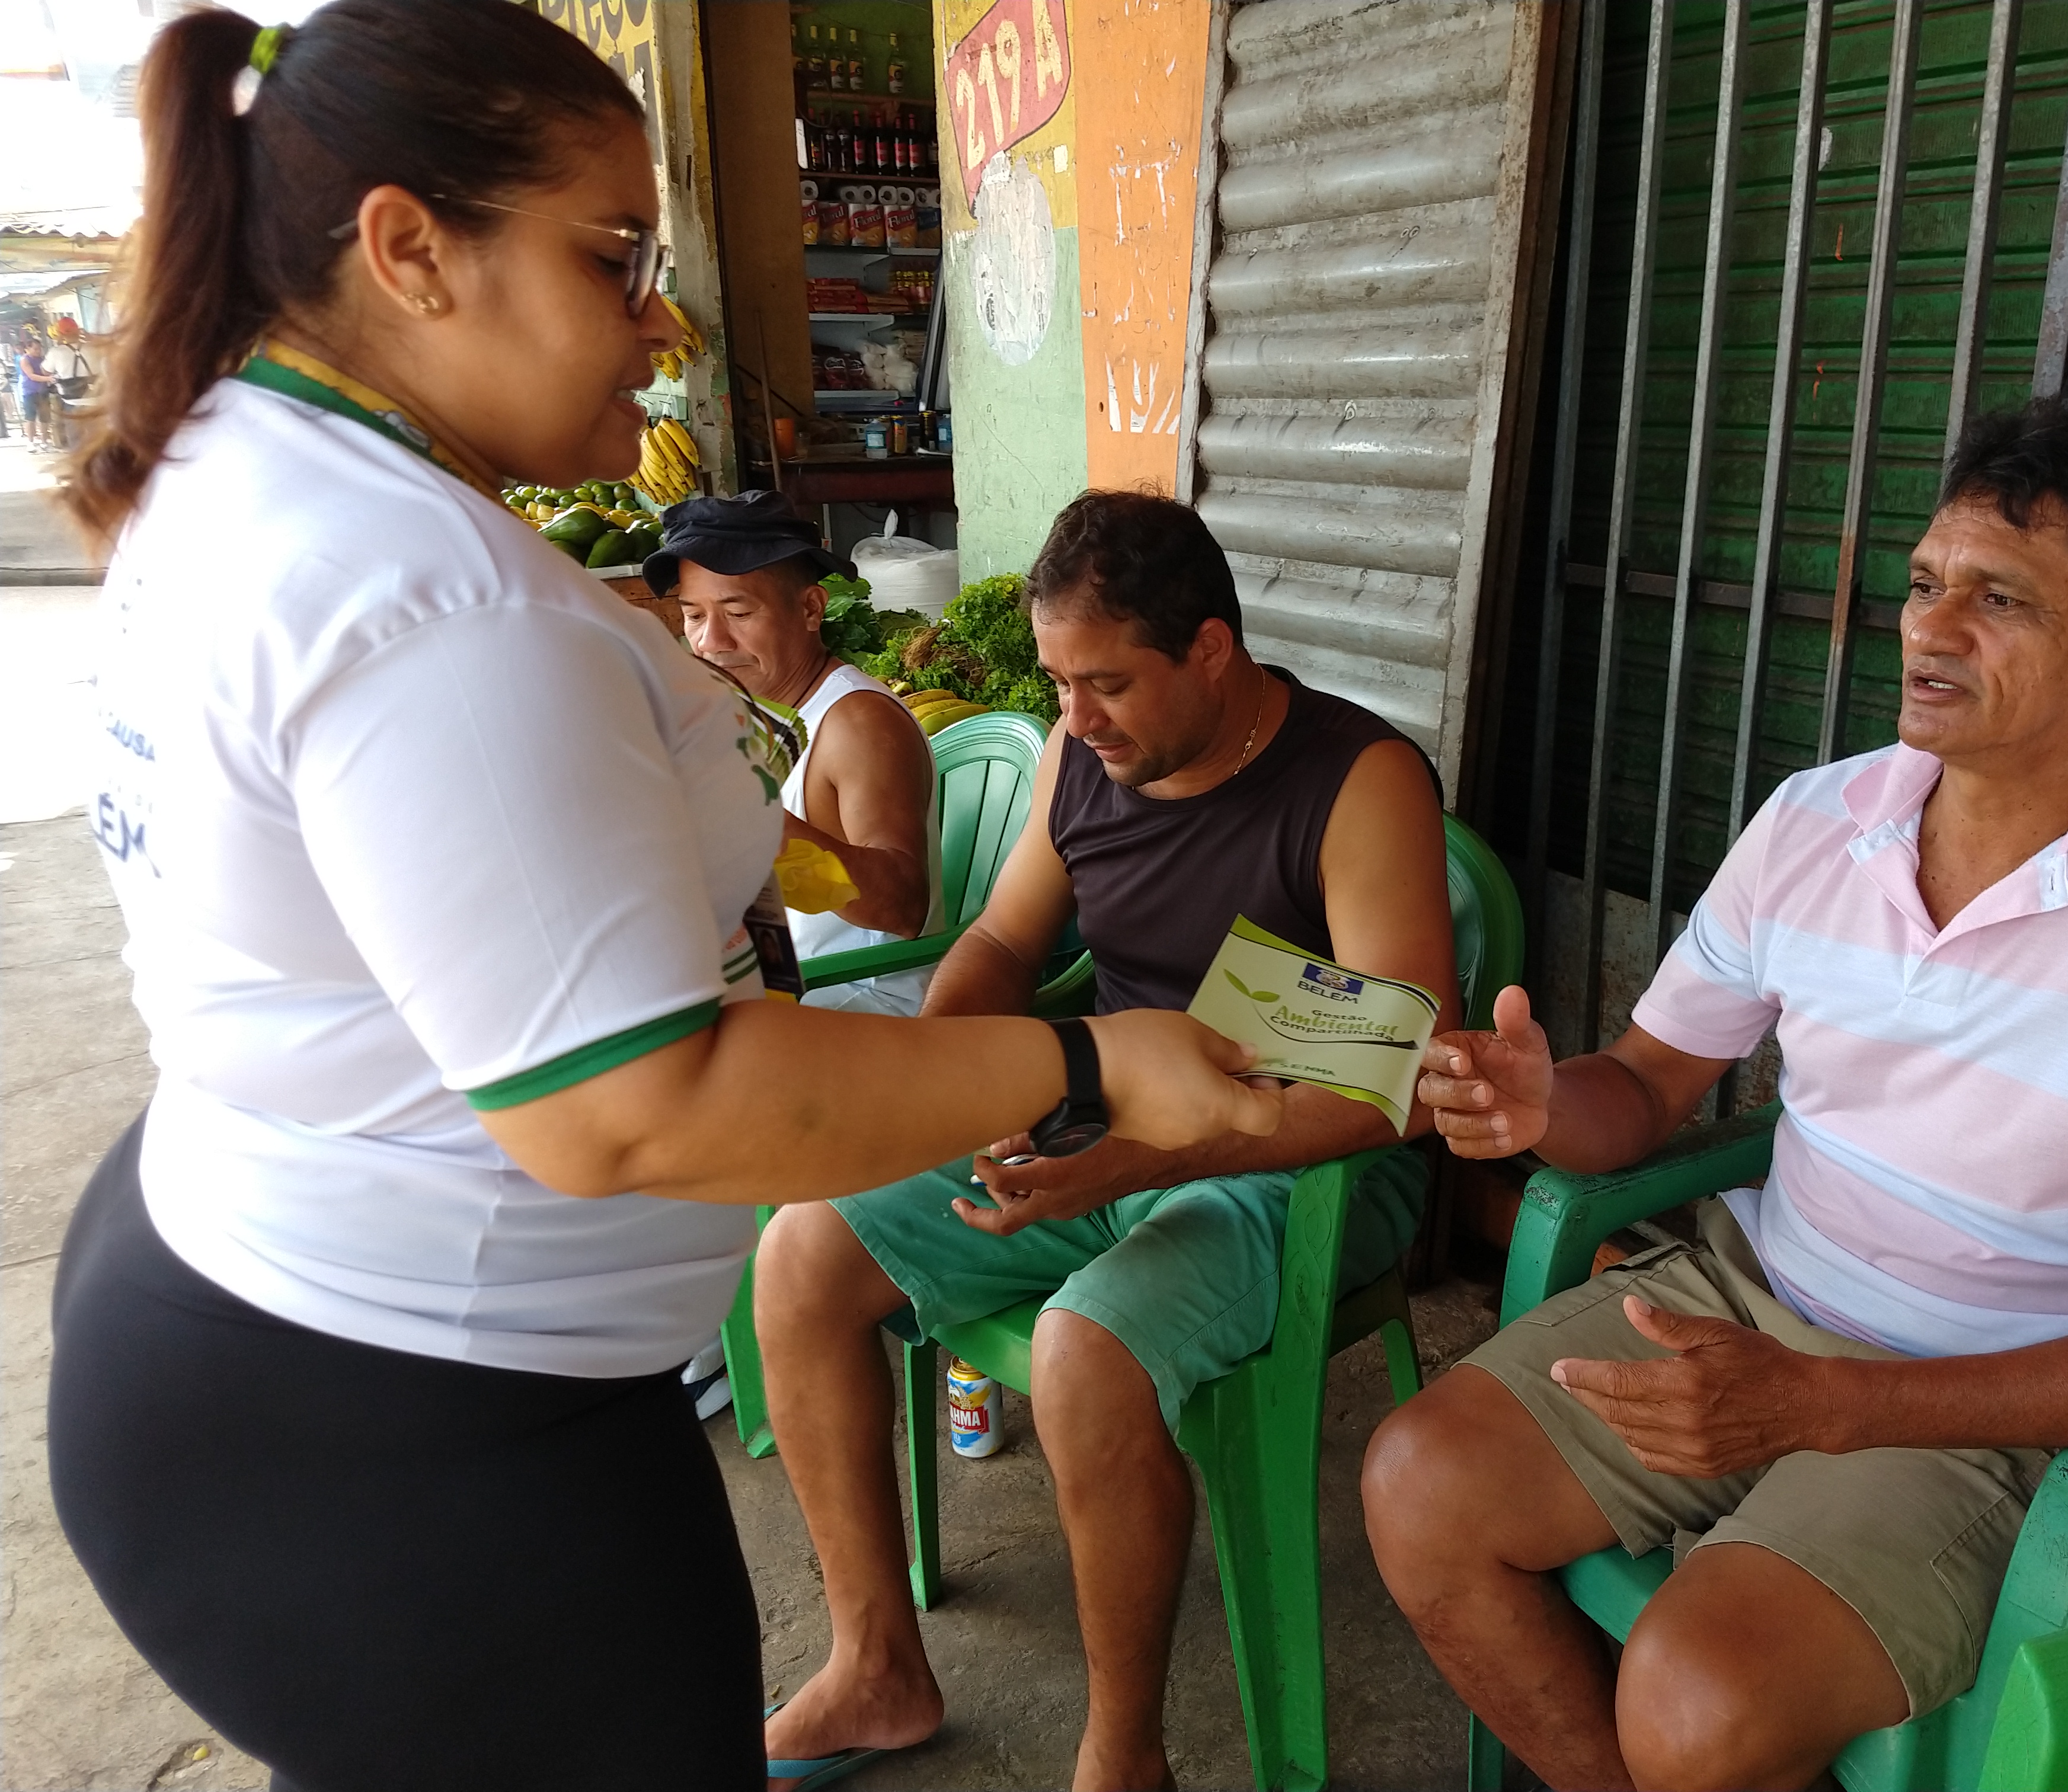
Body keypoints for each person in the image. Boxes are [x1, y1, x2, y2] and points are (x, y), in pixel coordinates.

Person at [44, 9, 1275, 1792]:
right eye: (612, 260)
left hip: (282, 1314)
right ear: (409, 251)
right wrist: (1086, 1068)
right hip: (402, 1420)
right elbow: (635, 1112)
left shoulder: (254, 483)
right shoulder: (432, 598)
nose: (661, 323)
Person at [1365, 400, 2068, 1792]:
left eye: (1999, 598)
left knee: (1701, 1702)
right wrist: (1541, 1103)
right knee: (1420, 1488)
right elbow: (1646, 1092)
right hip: (1754, 1289)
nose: (1929, 628)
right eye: (1923, 583)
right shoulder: (1818, 821)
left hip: (1989, 1395)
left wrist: (1831, 1406)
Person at [752, 490, 1459, 1791]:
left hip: (1295, 1154)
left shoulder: (1359, 783)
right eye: (1059, 684)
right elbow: (1002, 945)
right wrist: (962, 1084)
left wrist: (1144, 1158)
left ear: (1211, 651)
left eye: (1106, 683)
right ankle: (875, 1668)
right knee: (801, 1257)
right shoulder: (1086, 758)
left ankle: (1123, 1755)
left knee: (1084, 1356)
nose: (1074, 720)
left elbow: (1394, 1086)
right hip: (1109, 1111)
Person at [648, 489, 943, 1015]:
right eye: (694, 616)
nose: (711, 641)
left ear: (810, 608)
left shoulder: (855, 723)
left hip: (859, 1002)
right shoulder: (749, 712)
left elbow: (902, 907)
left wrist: (748, 816)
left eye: (738, 612)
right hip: (781, 988)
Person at [17, 326, 56, 448]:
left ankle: (44, 441)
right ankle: (31, 442)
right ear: (27, 349)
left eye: (39, 349)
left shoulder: (43, 359)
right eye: (35, 349)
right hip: (29, 392)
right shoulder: (25, 360)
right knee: (31, 418)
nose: (38, 351)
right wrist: (49, 379)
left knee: (44, 418)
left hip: (43, 391)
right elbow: (32, 376)